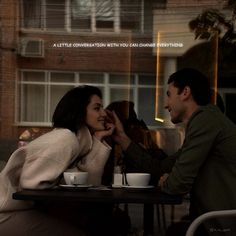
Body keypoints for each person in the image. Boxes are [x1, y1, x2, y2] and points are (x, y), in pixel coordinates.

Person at [111, 68, 236, 236]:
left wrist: (169, 180)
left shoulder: (205, 120)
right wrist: (122, 138)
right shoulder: (204, 123)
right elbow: (160, 168)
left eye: (169, 95)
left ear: (185, 92)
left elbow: (177, 185)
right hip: (211, 222)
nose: (165, 104)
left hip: (222, 226)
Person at [0, 85, 115, 236]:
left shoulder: (78, 141)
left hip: (21, 209)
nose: (104, 113)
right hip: (6, 212)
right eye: (97, 108)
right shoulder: (66, 139)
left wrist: (99, 138)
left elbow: (89, 181)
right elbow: (31, 183)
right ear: (79, 110)